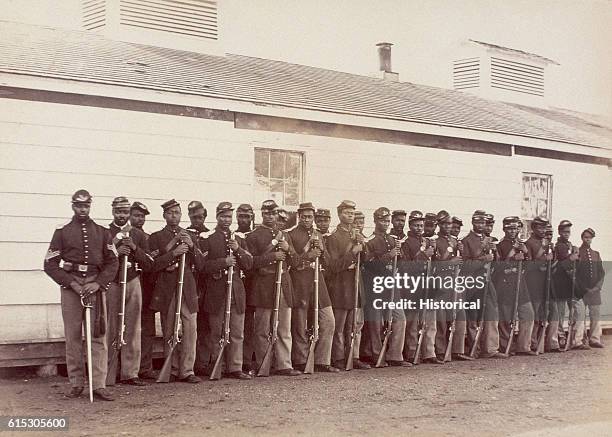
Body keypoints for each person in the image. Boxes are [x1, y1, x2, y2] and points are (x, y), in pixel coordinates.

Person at [43, 189, 118, 401]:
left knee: (97, 336)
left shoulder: (103, 232)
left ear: (90, 206)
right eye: (78, 205)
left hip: (94, 285)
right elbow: (50, 264)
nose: (82, 209)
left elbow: (113, 261)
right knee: (73, 336)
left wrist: (99, 283)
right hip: (71, 287)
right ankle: (76, 383)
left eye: (86, 206)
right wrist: (72, 284)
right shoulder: (62, 232)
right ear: (72, 206)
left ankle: (99, 385)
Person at [148, 199, 206, 383]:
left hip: (187, 287)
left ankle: (187, 370)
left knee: (190, 329)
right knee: (169, 328)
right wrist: (174, 252)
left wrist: (192, 246)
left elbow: (201, 265)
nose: (174, 216)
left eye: (177, 213)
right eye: (170, 213)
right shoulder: (156, 237)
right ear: (164, 215)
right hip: (167, 287)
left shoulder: (190, 235)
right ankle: (171, 368)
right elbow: (153, 264)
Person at [246, 200, 300, 376]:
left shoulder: (285, 235)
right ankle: (264, 364)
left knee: (284, 328)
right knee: (263, 328)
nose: (270, 216)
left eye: (274, 213)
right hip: (264, 285)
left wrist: (287, 249)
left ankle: (284, 364)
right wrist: (273, 256)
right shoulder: (254, 236)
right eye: (267, 213)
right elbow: (251, 263)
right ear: (262, 214)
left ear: (278, 215)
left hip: (283, 284)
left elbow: (296, 262)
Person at [201, 202, 254, 379]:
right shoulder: (207, 237)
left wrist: (238, 249)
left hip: (236, 291)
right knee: (217, 331)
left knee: (237, 331)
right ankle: (218, 365)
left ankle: (235, 367)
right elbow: (202, 266)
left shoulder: (238, 238)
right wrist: (223, 263)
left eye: (229, 217)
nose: (226, 220)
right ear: (216, 216)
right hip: (217, 291)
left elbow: (249, 263)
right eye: (223, 216)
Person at [287, 202, 339, 373]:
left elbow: (329, 263)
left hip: (319, 282)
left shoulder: (318, 235)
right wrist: (308, 255)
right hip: (300, 282)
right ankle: (301, 360)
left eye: (310, 217)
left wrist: (322, 253)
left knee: (328, 320)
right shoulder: (292, 235)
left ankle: (322, 360)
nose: (307, 220)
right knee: (300, 324)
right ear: (299, 216)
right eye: (304, 216)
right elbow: (293, 262)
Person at [106, 197, 152, 386]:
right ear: (113, 212)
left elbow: (149, 263)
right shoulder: (105, 233)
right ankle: (109, 370)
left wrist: (134, 247)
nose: (121, 215)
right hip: (113, 282)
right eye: (118, 211)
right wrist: (117, 250)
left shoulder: (138, 234)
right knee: (111, 327)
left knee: (133, 328)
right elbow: (100, 259)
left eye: (125, 212)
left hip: (132, 280)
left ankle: (130, 372)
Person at [362, 207, 410, 367]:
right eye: (382, 220)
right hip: (375, 285)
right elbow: (368, 264)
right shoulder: (369, 240)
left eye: (387, 221)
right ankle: (376, 355)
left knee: (399, 319)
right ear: (375, 221)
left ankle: (395, 355)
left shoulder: (392, 240)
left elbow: (401, 263)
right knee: (375, 322)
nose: (385, 223)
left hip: (391, 284)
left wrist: (399, 256)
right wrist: (387, 257)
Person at [326, 200, 370, 370]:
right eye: (346, 213)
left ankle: (354, 355)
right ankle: (338, 358)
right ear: (339, 214)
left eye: (352, 213)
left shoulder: (357, 235)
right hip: (341, 287)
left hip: (355, 285)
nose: (350, 216)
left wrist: (362, 246)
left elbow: (366, 261)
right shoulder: (333, 237)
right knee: (340, 326)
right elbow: (334, 266)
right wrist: (353, 253)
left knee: (355, 325)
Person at [461, 210, 506, 359]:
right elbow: (465, 265)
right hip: (473, 282)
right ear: (473, 223)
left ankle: (491, 348)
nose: (481, 225)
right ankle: (475, 348)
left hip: (487, 281)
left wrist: (494, 254)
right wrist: (483, 258)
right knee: (473, 317)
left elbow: (496, 264)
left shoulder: (489, 240)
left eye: (483, 223)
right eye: (478, 222)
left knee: (491, 314)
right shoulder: (466, 240)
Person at [402, 210, 441, 364]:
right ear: (410, 226)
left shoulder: (427, 241)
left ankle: (429, 352)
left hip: (427, 284)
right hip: (413, 285)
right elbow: (406, 266)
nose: (419, 228)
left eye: (421, 225)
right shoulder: (406, 242)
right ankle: (412, 353)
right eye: (416, 225)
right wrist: (423, 254)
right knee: (412, 322)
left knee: (430, 321)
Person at [433, 211, 472, 361]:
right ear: (439, 225)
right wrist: (450, 263)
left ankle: (457, 349)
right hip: (441, 283)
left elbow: (462, 262)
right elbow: (433, 266)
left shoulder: (456, 241)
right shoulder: (435, 241)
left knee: (460, 317)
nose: (447, 226)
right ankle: (441, 350)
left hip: (455, 283)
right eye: (444, 224)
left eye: (449, 224)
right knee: (441, 319)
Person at [495, 218, 535, 356]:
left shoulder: (522, 245)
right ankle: (506, 347)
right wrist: (512, 258)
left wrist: (526, 254)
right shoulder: (499, 245)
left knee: (528, 314)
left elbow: (530, 267)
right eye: (510, 228)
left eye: (516, 228)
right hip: (506, 285)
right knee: (506, 319)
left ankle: (524, 346)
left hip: (520, 284)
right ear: (504, 229)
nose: (513, 231)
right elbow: (497, 267)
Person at [129, 202, 159, 380]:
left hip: (146, 288)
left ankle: (144, 367)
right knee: (127, 328)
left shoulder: (148, 238)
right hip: (127, 286)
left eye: (142, 216)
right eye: (136, 215)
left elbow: (152, 264)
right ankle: (124, 367)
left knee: (147, 329)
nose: (139, 219)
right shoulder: (121, 236)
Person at [185, 200, 212, 376]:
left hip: (207, 284)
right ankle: (188, 363)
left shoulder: (210, 235)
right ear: (189, 216)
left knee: (206, 326)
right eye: (194, 217)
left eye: (200, 217)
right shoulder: (184, 234)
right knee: (190, 326)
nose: (197, 220)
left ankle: (203, 362)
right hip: (190, 284)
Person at [524, 217, 553, 351]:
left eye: (544, 228)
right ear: (533, 229)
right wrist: (543, 261)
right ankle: (532, 342)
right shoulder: (529, 243)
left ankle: (539, 343)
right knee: (534, 314)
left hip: (544, 282)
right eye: (540, 228)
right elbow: (528, 266)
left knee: (542, 314)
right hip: (533, 283)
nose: (542, 230)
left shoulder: (545, 243)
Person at [234, 203, 256, 373]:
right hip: (237, 284)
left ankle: (248, 359)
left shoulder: (256, 235)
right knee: (237, 323)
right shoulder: (232, 235)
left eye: (247, 216)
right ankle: (236, 361)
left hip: (253, 283)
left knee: (250, 325)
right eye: (241, 216)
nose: (244, 219)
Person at [575, 228, 605, 348]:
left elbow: (601, 273)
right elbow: (575, 273)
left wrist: (597, 287)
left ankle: (594, 339)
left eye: (590, 237)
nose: (588, 239)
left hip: (595, 291)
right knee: (580, 315)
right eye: (586, 237)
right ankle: (579, 340)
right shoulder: (577, 252)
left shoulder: (596, 254)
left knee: (595, 314)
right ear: (582, 238)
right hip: (582, 290)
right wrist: (583, 288)